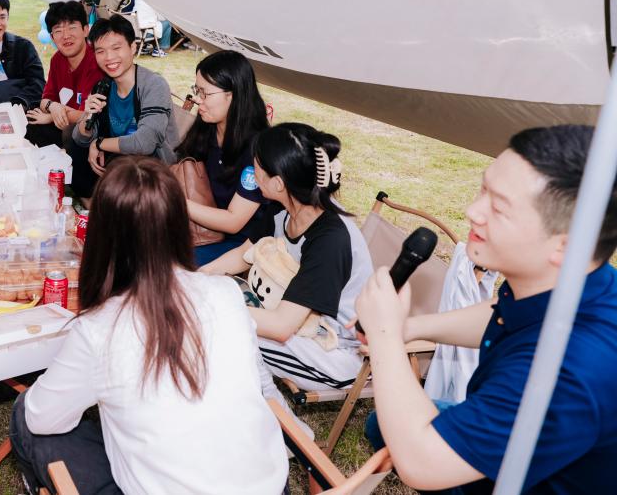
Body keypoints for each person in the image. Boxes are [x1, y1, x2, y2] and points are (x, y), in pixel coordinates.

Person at [357, 125, 617, 493]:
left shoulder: (567, 372)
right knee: (380, 425)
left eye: (498, 207)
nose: (472, 211)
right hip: (521, 440)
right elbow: (503, 309)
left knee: (405, 436)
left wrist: (384, 336)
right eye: (483, 189)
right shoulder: (578, 278)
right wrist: (409, 327)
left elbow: (421, 464)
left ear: (565, 245)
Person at [9, 156, 288, 495]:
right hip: (268, 486)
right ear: (179, 225)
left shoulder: (99, 329)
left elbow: (41, 418)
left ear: (102, 236)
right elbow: (255, 384)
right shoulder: (226, 292)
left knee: (26, 413)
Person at [202, 123, 374, 392]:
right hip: (294, 322)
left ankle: (259, 402)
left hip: (332, 351)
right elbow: (243, 255)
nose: (252, 171)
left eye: (257, 167)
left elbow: (281, 326)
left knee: (217, 328)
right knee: (212, 302)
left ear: (278, 183)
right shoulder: (286, 208)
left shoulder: (330, 239)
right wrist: (195, 279)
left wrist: (206, 306)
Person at [176, 50, 272, 266]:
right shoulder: (207, 128)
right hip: (202, 230)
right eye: (196, 90)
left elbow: (233, 221)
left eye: (205, 93)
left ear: (234, 94)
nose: (197, 99)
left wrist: (175, 201)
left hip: (241, 244)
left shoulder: (257, 148)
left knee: (166, 261)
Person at [70, 16, 179, 199]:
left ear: (133, 47)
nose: (109, 57)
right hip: (119, 161)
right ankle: (92, 201)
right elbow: (80, 138)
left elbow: (146, 142)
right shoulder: (104, 86)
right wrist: (88, 115)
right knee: (75, 146)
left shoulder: (153, 85)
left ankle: (105, 201)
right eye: (101, 51)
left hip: (153, 167)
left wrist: (99, 143)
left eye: (116, 48)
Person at [24, 0, 104, 147]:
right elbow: (45, 100)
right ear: (52, 37)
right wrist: (53, 106)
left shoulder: (97, 62)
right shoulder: (57, 60)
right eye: (58, 30)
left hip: (89, 131)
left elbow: (86, 115)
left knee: (69, 132)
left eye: (72, 27)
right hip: (63, 124)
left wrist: (50, 117)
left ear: (86, 30)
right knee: (29, 122)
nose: (66, 36)